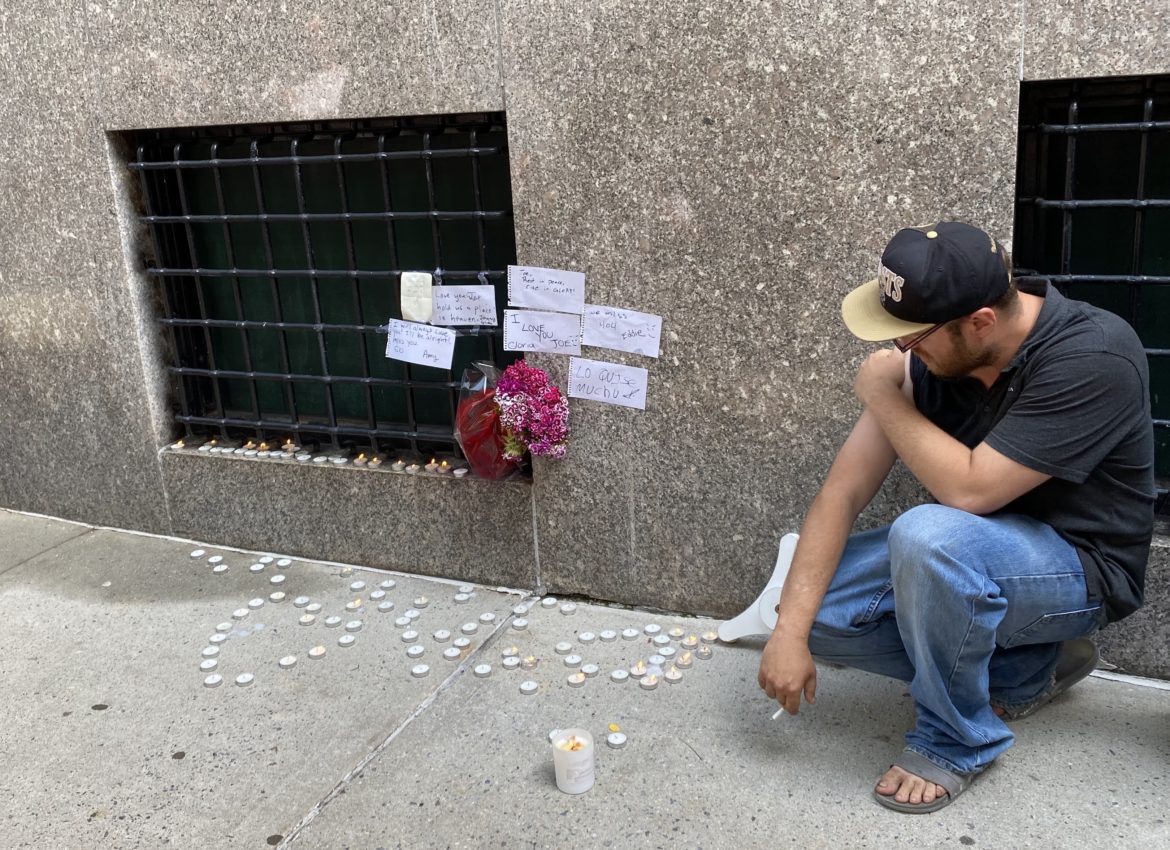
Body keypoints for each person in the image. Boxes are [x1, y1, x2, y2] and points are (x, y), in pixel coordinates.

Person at [757, 221, 1154, 813]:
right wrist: (788, 632)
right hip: (970, 560)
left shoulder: (1094, 355)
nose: (898, 352)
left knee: (928, 533)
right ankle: (1023, 667)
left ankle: (954, 740)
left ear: (981, 322)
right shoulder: (934, 362)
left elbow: (971, 493)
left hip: (1080, 570)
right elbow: (840, 492)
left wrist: (883, 394)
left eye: (912, 339)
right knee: (810, 612)